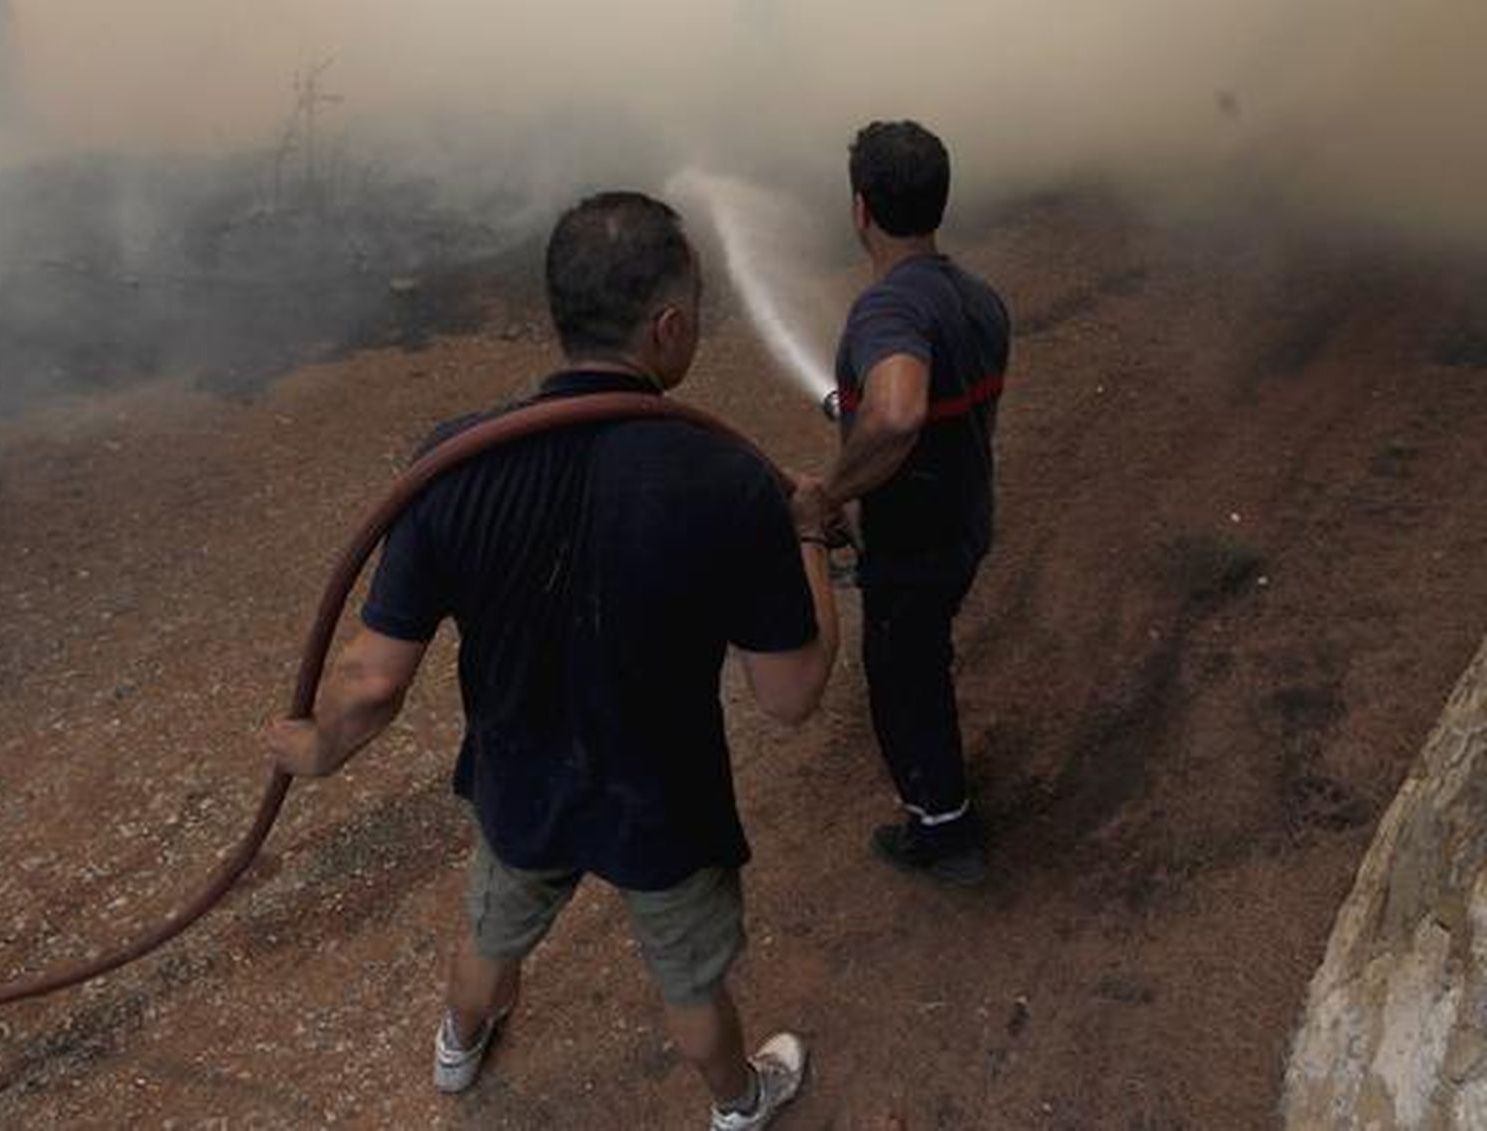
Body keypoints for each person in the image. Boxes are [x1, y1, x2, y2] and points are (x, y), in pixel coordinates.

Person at [266, 190, 838, 1130]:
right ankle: (740, 1102)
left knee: (491, 937)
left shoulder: (452, 461)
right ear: (667, 329)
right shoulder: (725, 481)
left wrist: (320, 745)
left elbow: (373, 683)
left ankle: (457, 1049)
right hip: (664, 803)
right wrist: (811, 538)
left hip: (519, 780)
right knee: (691, 988)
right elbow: (792, 691)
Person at [793, 121, 1011, 885]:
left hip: (914, 543)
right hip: (965, 522)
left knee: (902, 675)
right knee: (924, 655)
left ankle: (942, 830)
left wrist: (830, 491)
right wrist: (849, 412)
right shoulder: (977, 299)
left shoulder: (889, 310)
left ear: (860, 209)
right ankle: (942, 805)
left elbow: (897, 414)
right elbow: (929, 406)